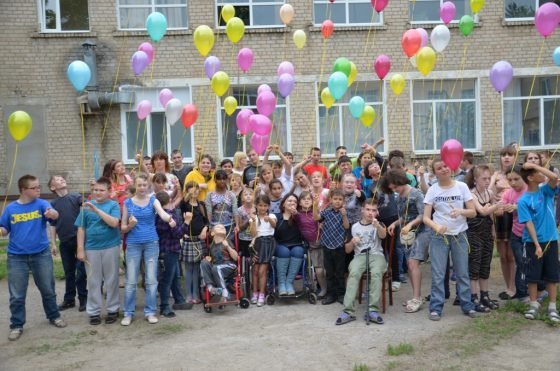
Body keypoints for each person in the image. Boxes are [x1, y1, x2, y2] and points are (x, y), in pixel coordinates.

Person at [1, 175, 66, 341]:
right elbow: (4, 229)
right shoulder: (10, 209)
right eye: (34, 187)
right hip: (16, 257)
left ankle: (54, 316)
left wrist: (53, 214)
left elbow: (55, 214)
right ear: (23, 190)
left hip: (41, 254)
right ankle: (16, 325)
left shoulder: (41, 203)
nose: (39, 189)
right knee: (16, 294)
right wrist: (1, 230)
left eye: (39, 186)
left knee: (48, 289)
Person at [423, 158, 479, 321]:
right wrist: (436, 227)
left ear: (451, 167)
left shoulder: (461, 187)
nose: (443, 169)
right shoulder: (432, 190)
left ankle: (467, 305)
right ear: (435, 173)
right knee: (439, 273)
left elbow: (473, 212)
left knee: (462, 272)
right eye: (439, 168)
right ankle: (436, 307)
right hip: (439, 237)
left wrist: (461, 212)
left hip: (459, 235)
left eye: (445, 166)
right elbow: (426, 217)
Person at [120, 173, 176, 326]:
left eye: (145, 185)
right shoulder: (127, 203)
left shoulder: (153, 200)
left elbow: (162, 214)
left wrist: (170, 219)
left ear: (148, 186)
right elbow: (123, 228)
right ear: (135, 186)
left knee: (151, 280)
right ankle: (128, 313)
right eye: (139, 185)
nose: (142, 188)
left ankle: (150, 312)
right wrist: (130, 226)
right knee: (131, 281)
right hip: (133, 245)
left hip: (151, 243)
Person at [75, 177, 121, 325]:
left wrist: (97, 210)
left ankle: (113, 309)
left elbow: (114, 223)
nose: (98, 192)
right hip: (91, 248)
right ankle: (94, 311)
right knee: (93, 280)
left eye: (101, 190)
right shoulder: (85, 207)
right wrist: (80, 249)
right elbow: (81, 228)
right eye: (95, 190)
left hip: (111, 246)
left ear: (109, 191)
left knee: (112, 279)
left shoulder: (113, 205)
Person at [384, 170, 431, 313]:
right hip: (407, 234)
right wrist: (395, 223)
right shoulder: (398, 197)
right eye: (391, 188)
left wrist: (410, 224)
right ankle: (416, 296)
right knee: (410, 265)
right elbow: (403, 216)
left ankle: (417, 298)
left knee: (413, 263)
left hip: (422, 232)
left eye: (395, 187)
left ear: (401, 181)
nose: (394, 190)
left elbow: (423, 215)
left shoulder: (416, 193)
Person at [518, 162, 559, 323]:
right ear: (530, 178)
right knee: (532, 276)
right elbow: (528, 223)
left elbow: (554, 177)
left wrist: (535, 165)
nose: (543, 175)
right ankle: (533, 304)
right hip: (532, 243)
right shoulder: (523, 201)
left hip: (551, 240)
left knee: (552, 275)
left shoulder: (545, 191)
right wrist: (536, 245)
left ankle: (552, 307)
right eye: (538, 173)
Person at [336, 200, 387, 325]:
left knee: (376, 273)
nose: (370, 213)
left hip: (376, 255)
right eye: (368, 209)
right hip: (360, 256)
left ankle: (372, 310)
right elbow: (347, 250)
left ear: (377, 212)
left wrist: (378, 226)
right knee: (353, 273)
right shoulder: (354, 227)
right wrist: (353, 242)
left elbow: (383, 235)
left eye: (374, 210)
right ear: (362, 210)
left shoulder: (379, 224)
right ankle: (348, 311)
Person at [48, 175, 87, 312]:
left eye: (62, 178)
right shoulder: (52, 204)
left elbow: (86, 209)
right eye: (57, 179)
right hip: (64, 242)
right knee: (69, 272)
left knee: (81, 271)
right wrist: (53, 243)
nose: (62, 179)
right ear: (53, 187)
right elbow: (52, 225)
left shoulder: (76, 197)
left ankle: (83, 299)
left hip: (79, 240)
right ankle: (69, 299)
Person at [464, 165, 501, 311]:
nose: (487, 181)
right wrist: (498, 205)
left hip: (486, 233)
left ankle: (484, 295)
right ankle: (474, 296)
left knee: (485, 264)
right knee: (475, 265)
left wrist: (493, 230)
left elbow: (491, 215)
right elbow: (483, 211)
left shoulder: (490, 193)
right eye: (483, 178)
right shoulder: (471, 194)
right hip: (474, 234)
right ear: (475, 180)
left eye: (488, 178)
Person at [155, 191, 192, 318]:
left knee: (175, 276)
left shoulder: (158, 215)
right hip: (169, 250)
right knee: (167, 278)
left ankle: (179, 300)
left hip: (168, 250)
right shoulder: (169, 216)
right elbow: (178, 234)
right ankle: (164, 306)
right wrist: (187, 222)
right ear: (169, 201)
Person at [499, 165, 529, 303]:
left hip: (533, 234)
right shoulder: (509, 193)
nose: (512, 183)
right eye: (509, 180)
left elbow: (535, 205)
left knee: (533, 262)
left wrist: (517, 206)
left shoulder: (530, 189)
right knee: (520, 262)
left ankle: (539, 289)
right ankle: (522, 293)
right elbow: (501, 204)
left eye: (516, 179)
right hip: (517, 233)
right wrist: (498, 208)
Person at [314, 189, 350, 305]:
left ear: (343, 201)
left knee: (339, 272)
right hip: (327, 245)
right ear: (330, 200)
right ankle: (331, 294)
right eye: (335, 199)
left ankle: (340, 294)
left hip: (339, 246)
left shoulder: (344, 212)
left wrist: (344, 215)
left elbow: (346, 226)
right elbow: (316, 218)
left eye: (340, 199)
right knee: (329, 272)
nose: (337, 201)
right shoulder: (326, 211)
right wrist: (315, 205)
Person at [490, 145, 516, 300]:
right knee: (503, 255)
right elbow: (489, 193)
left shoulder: (516, 174)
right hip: (498, 217)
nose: (506, 157)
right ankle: (508, 287)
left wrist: (504, 188)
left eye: (510, 155)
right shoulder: (495, 175)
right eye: (503, 155)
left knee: (512, 255)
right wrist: (493, 180)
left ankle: (514, 286)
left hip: (514, 217)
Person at [180, 181, 208, 304]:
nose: (195, 191)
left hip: (199, 239)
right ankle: (188, 294)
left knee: (197, 268)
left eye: (197, 188)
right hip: (188, 239)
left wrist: (204, 230)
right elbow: (181, 219)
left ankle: (196, 294)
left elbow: (206, 221)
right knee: (188, 269)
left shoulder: (201, 204)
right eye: (192, 189)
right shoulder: (184, 204)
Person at [294, 191, 327, 298]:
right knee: (315, 269)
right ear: (299, 202)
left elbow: (322, 220)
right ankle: (319, 288)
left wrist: (321, 225)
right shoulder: (297, 215)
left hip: (320, 243)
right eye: (304, 199)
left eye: (309, 199)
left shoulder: (317, 212)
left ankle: (326, 288)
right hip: (308, 245)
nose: (307, 200)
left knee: (322, 269)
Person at [249, 194, 277, 307]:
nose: (262, 208)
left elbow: (274, 226)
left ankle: (262, 293)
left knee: (262, 271)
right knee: (255, 270)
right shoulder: (254, 218)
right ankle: (255, 293)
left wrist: (269, 219)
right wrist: (253, 221)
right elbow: (253, 234)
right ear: (256, 206)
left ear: (269, 206)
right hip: (257, 243)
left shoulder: (272, 215)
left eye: (265, 205)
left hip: (268, 243)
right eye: (260, 205)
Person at [274, 194, 304, 296]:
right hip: (280, 245)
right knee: (284, 251)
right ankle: (281, 283)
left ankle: (289, 283)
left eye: (295, 202)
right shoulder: (277, 217)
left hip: (296, 244)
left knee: (298, 251)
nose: (292, 203)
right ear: (283, 204)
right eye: (289, 201)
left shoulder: (299, 217)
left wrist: (297, 215)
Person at [200, 224, 239, 303]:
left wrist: (228, 247)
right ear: (212, 233)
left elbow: (235, 257)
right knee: (204, 262)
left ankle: (225, 292)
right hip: (216, 268)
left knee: (216, 268)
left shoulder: (227, 241)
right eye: (218, 227)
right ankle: (211, 288)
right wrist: (209, 259)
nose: (222, 227)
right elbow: (212, 260)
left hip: (229, 266)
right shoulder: (211, 246)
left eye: (223, 227)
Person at [206, 169, 238, 238]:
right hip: (215, 226)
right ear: (215, 180)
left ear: (227, 180)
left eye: (224, 179)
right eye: (219, 179)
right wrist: (209, 226)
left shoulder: (231, 195)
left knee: (229, 246)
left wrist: (237, 225)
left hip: (229, 226)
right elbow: (209, 212)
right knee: (216, 247)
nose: (222, 181)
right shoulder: (210, 195)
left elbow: (235, 210)